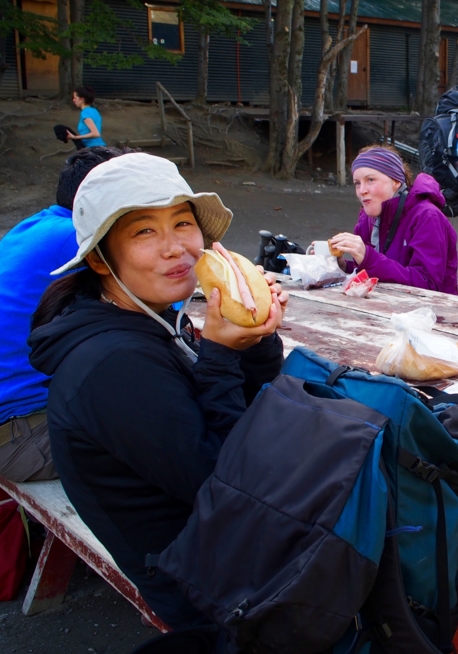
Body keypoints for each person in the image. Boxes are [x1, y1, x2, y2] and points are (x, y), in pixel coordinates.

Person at [28, 153, 286, 629]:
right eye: (144, 231)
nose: (176, 249)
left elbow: (254, 403)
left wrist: (257, 339)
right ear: (100, 260)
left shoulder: (152, 317)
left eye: (182, 223)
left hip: (221, 540)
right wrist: (221, 355)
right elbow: (230, 485)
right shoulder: (111, 364)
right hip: (212, 588)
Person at [0, 146, 124, 483]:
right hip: (19, 435)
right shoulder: (75, 240)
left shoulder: (34, 226)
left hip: (2, 425)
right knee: (165, 436)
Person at [329, 146, 458, 294]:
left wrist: (368, 257)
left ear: (396, 181)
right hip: (384, 309)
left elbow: (428, 284)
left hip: (433, 313)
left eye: (370, 180)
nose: (362, 190)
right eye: (357, 183)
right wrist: (343, 266)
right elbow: (376, 271)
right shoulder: (367, 218)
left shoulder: (427, 217)